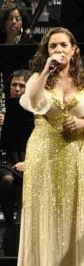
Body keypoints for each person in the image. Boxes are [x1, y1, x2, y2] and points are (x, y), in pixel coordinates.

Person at [15, 27, 84, 266]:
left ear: (74, 49)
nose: (58, 50)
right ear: (46, 51)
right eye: (52, 46)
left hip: (76, 157)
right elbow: (31, 99)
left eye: (64, 45)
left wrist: (83, 121)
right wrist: (45, 71)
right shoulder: (37, 79)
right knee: (44, 220)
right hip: (44, 154)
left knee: (74, 222)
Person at [0, 69, 32, 230]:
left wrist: (28, 161)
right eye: (14, 85)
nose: (17, 89)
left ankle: (20, 227)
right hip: (5, 157)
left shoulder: (35, 109)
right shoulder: (3, 107)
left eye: (22, 86)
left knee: (26, 179)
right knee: (7, 179)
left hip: (29, 157)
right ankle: (9, 223)